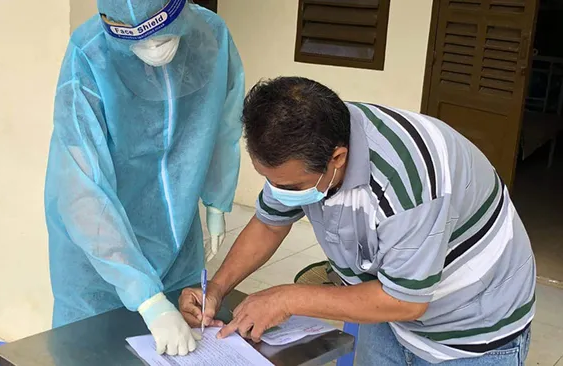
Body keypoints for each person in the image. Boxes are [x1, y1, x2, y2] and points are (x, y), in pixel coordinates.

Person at [179, 77, 535, 365]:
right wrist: (217, 290)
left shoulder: (407, 182)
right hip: (392, 313)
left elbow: (406, 301)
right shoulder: (303, 149)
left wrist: (286, 298)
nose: (278, 192)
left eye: (290, 186)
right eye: (269, 180)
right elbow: (271, 223)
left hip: (473, 332)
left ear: (338, 157)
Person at [45, 0, 244, 356]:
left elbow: (223, 123)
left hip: (178, 235)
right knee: (93, 355)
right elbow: (82, 187)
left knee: (185, 345)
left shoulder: (211, 36)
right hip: (99, 257)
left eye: (159, 30)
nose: (153, 46)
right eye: (136, 38)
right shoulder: (88, 54)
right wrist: (149, 301)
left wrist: (216, 198)